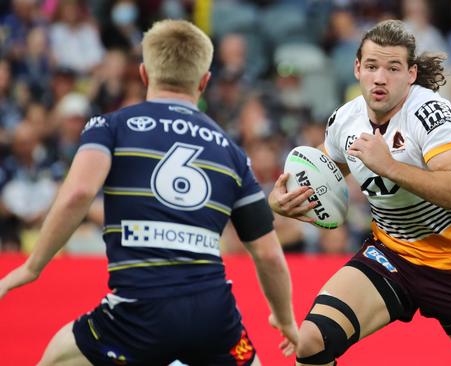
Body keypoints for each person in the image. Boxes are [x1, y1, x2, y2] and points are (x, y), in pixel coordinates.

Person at [0, 19, 298, 365]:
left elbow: (79, 193)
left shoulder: (110, 126)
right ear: (204, 81)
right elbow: (269, 255)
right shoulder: (231, 152)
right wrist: (285, 317)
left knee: (56, 357)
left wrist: (32, 267)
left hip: (138, 312)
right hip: (214, 318)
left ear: (143, 74)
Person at [270, 19, 451, 366]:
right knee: (311, 342)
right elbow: (323, 174)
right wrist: (283, 200)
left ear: (411, 74)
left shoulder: (431, 114)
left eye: (392, 68)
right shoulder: (345, 120)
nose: (380, 78)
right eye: (371, 66)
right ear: (357, 68)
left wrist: (389, 166)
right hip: (390, 255)